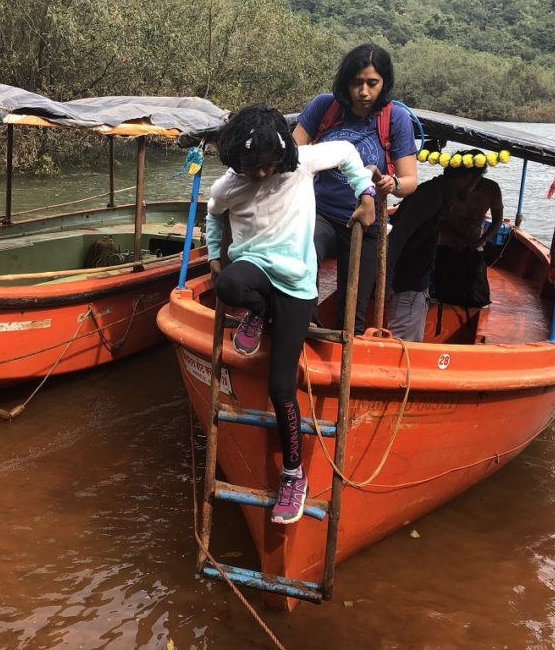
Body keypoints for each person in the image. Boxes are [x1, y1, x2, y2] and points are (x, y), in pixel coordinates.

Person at [206, 103, 375, 524]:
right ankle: (259, 312)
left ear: (281, 153)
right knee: (228, 285)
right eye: (251, 166)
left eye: (267, 164)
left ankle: (293, 474)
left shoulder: (300, 165)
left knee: (281, 386)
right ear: (235, 159)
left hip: (297, 286)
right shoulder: (228, 186)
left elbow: (348, 154)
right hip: (255, 270)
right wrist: (213, 255)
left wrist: (366, 193)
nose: (261, 172)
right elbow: (213, 217)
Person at [293, 43, 418, 334]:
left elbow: (410, 181)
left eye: (372, 83)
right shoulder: (325, 107)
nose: (363, 92)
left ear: (384, 83)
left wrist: (392, 183)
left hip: (367, 220)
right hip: (319, 212)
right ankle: (304, 328)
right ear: (345, 82)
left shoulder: (395, 118)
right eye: (356, 83)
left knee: (353, 310)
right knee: (303, 259)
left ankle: (348, 343)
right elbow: (291, 155)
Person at [386, 163, 481, 341]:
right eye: (475, 184)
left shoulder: (438, 193)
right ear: (467, 179)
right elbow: (398, 235)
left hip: (418, 286)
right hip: (407, 284)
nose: (473, 189)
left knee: (413, 343)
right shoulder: (431, 196)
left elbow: (430, 226)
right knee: (401, 343)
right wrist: (386, 281)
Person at [433, 152, 504, 307]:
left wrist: (483, 240)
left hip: (474, 243)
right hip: (445, 242)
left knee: (477, 298)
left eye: (462, 180)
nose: (458, 184)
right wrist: (456, 239)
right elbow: (436, 219)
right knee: (439, 292)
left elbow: (498, 220)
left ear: (472, 177)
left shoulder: (491, 188)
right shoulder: (448, 185)